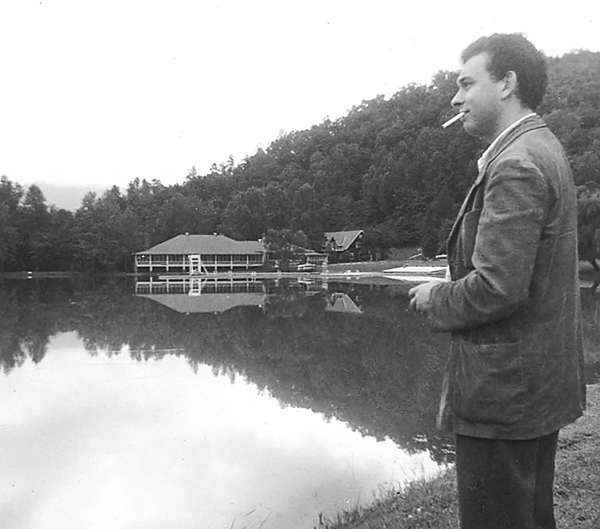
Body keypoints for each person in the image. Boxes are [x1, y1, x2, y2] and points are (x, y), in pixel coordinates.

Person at [408, 34, 586, 529]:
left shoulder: (516, 164)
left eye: (467, 84)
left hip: (505, 393)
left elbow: (497, 287)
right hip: (533, 385)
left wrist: (434, 297)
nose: (455, 98)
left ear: (507, 83)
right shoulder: (537, 146)